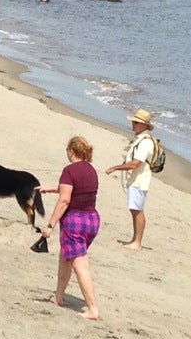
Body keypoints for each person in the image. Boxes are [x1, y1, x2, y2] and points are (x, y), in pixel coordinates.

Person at [38, 136, 100, 321]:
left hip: (75, 221)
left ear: (71, 151)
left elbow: (65, 200)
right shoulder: (91, 170)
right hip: (92, 220)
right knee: (66, 257)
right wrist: (52, 188)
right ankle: (58, 296)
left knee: (79, 264)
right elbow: (77, 189)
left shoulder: (69, 170)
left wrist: (50, 226)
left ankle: (92, 309)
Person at [105, 109, 156, 251]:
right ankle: (135, 239)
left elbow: (135, 164)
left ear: (144, 125)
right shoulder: (139, 139)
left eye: (136, 122)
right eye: (134, 122)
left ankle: (137, 242)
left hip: (140, 181)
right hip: (135, 180)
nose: (133, 125)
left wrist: (115, 168)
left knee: (137, 210)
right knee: (134, 209)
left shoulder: (146, 143)